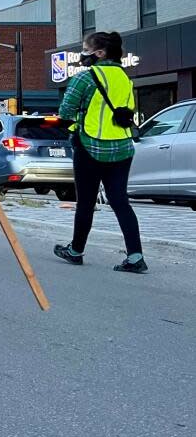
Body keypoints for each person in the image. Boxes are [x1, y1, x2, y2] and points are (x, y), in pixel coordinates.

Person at [54, 30, 146, 273]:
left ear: (99, 53)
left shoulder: (85, 78)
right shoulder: (125, 78)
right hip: (122, 147)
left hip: (90, 146)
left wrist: (75, 119)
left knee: (85, 202)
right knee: (119, 201)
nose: (82, 54)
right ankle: (136, 256)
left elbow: (65, 112)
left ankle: (75, 250)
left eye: (85, 49)